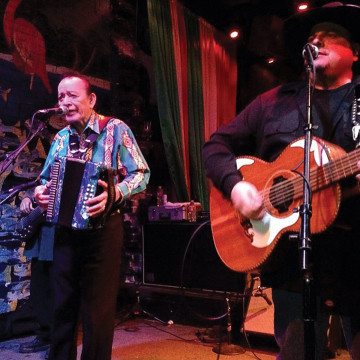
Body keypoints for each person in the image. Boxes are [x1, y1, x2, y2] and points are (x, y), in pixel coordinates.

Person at [203, 3, 360, 359]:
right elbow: (215, 146)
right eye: (313, 36)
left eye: (331, 35)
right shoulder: (273, 101)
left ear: (356, 52)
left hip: (355, 253)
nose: (318, 39)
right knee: (297, 352)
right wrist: (236, 185)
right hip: (293, 263)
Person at [34, 73, 150, 360]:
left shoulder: (116, 129)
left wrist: (116, 193)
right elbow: (45, 179)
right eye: (60, 97)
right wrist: (40, 192)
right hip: (65, 231)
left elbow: (141, 173)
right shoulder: (60, 138)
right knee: (62, 306)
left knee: (97, 312)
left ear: (91, 99)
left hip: (103, 230)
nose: (65, 102)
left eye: (72, 95)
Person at [18, 195, 52, 356]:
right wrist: (28, 198)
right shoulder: (47, 169)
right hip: (42, 233)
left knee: (59, 289)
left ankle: (57, 339)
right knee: (39, 287)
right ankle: (45, 335)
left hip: (61, 233)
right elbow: (41, 184)